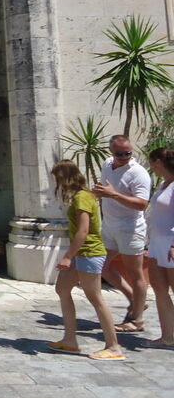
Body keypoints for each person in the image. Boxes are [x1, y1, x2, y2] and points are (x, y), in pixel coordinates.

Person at [48, 160, 124, 360]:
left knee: (96, 298)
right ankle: (70, 340)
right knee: (62, 288)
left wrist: (67, 256)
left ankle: (114, 346)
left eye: (57, 178)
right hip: (82, 253)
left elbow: (83, 231)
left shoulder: (82, 198)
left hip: (89, 252)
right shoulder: (85, 196)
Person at [91, 134, 151, 332]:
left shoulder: (138, 173)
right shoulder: (108, 164)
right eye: (120, 154)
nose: (125, 157)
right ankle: (134, 300)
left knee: (136, 274)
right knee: (102, 266)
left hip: (130, 228)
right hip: (109, 226)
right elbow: (105, 189)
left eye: (128, 153)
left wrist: (113, 194)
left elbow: (142, 204)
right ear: (111, 151)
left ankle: (137, 320)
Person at [144, 148, 174, 349]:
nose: (151, 167)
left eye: (152, 162)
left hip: (171, 241)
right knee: (159, 288)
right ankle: (168, 335)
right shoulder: (163, 184)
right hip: (156, 241)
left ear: (159, 162)